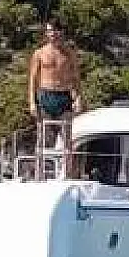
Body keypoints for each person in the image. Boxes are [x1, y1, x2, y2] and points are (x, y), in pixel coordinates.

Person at [28, 20, 82, 170]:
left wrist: (78, 98)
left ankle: (67, 173)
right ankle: (39, 173)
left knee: (67, 138)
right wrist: (32, 102)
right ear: (46, 33)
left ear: (61, 32)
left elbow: (76, 78)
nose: (53, 34)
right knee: (42, 137)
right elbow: (33, 79)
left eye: (55, 31)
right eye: (49, 31)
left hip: (63, 95)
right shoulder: (39, 53)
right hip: (45, 95)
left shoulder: (69, 54)